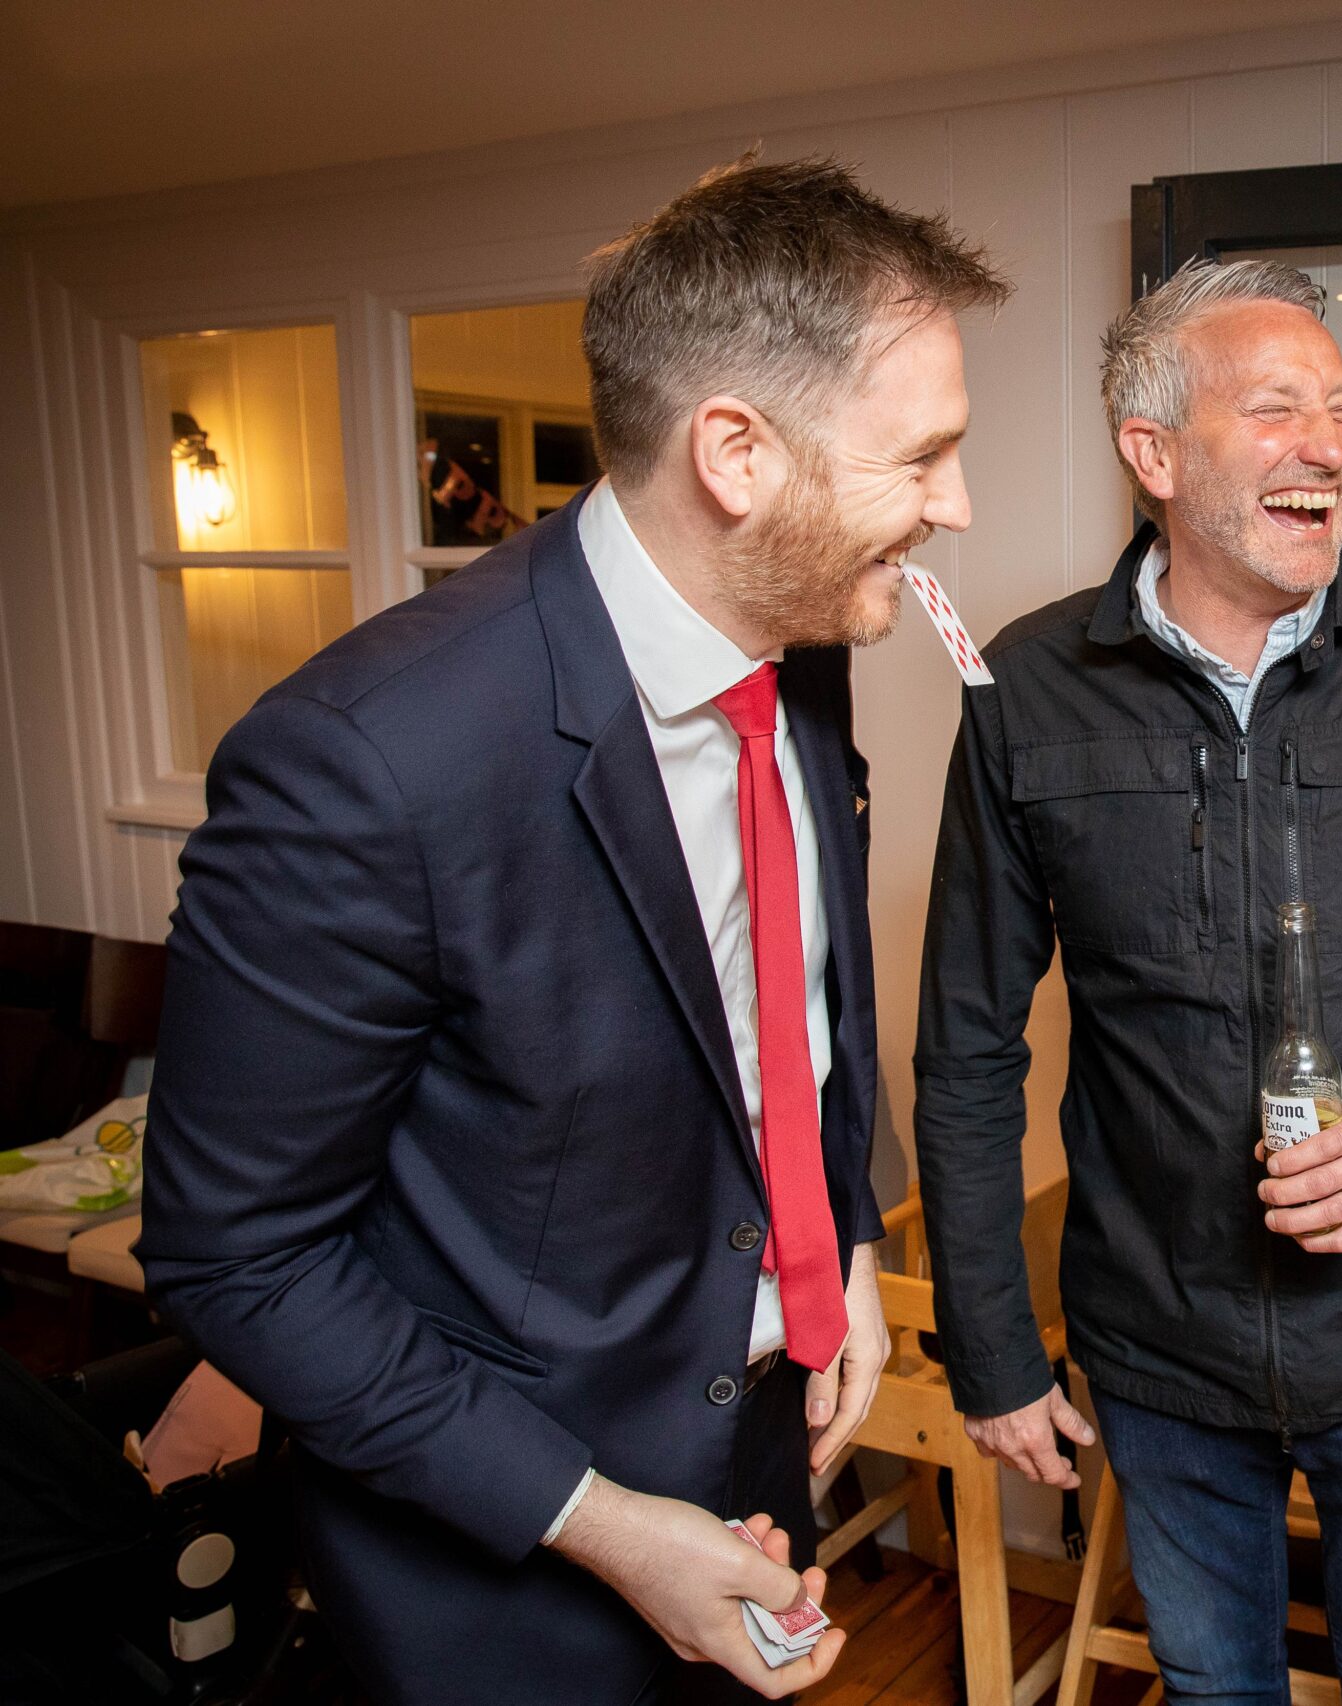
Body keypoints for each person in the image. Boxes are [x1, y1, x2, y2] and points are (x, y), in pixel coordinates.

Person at [137, 157, 1010, 1704]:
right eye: (924, 455)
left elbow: (778, 1007)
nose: (957, 504)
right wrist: (600, 1525)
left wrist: (843, 1256)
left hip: (754, 1443)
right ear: (735, 453)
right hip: (493, 1556)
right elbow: (238, 1260)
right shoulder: (365, 759)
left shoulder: (803, 644)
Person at [913, 258, 1342, 1705]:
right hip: (1156, 1344)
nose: (1331, 442)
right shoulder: (1023, 690)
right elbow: (966, 1046)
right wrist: (987, 1349)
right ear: (1151, 453)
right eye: (1278, 407)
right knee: (1215, 1684)